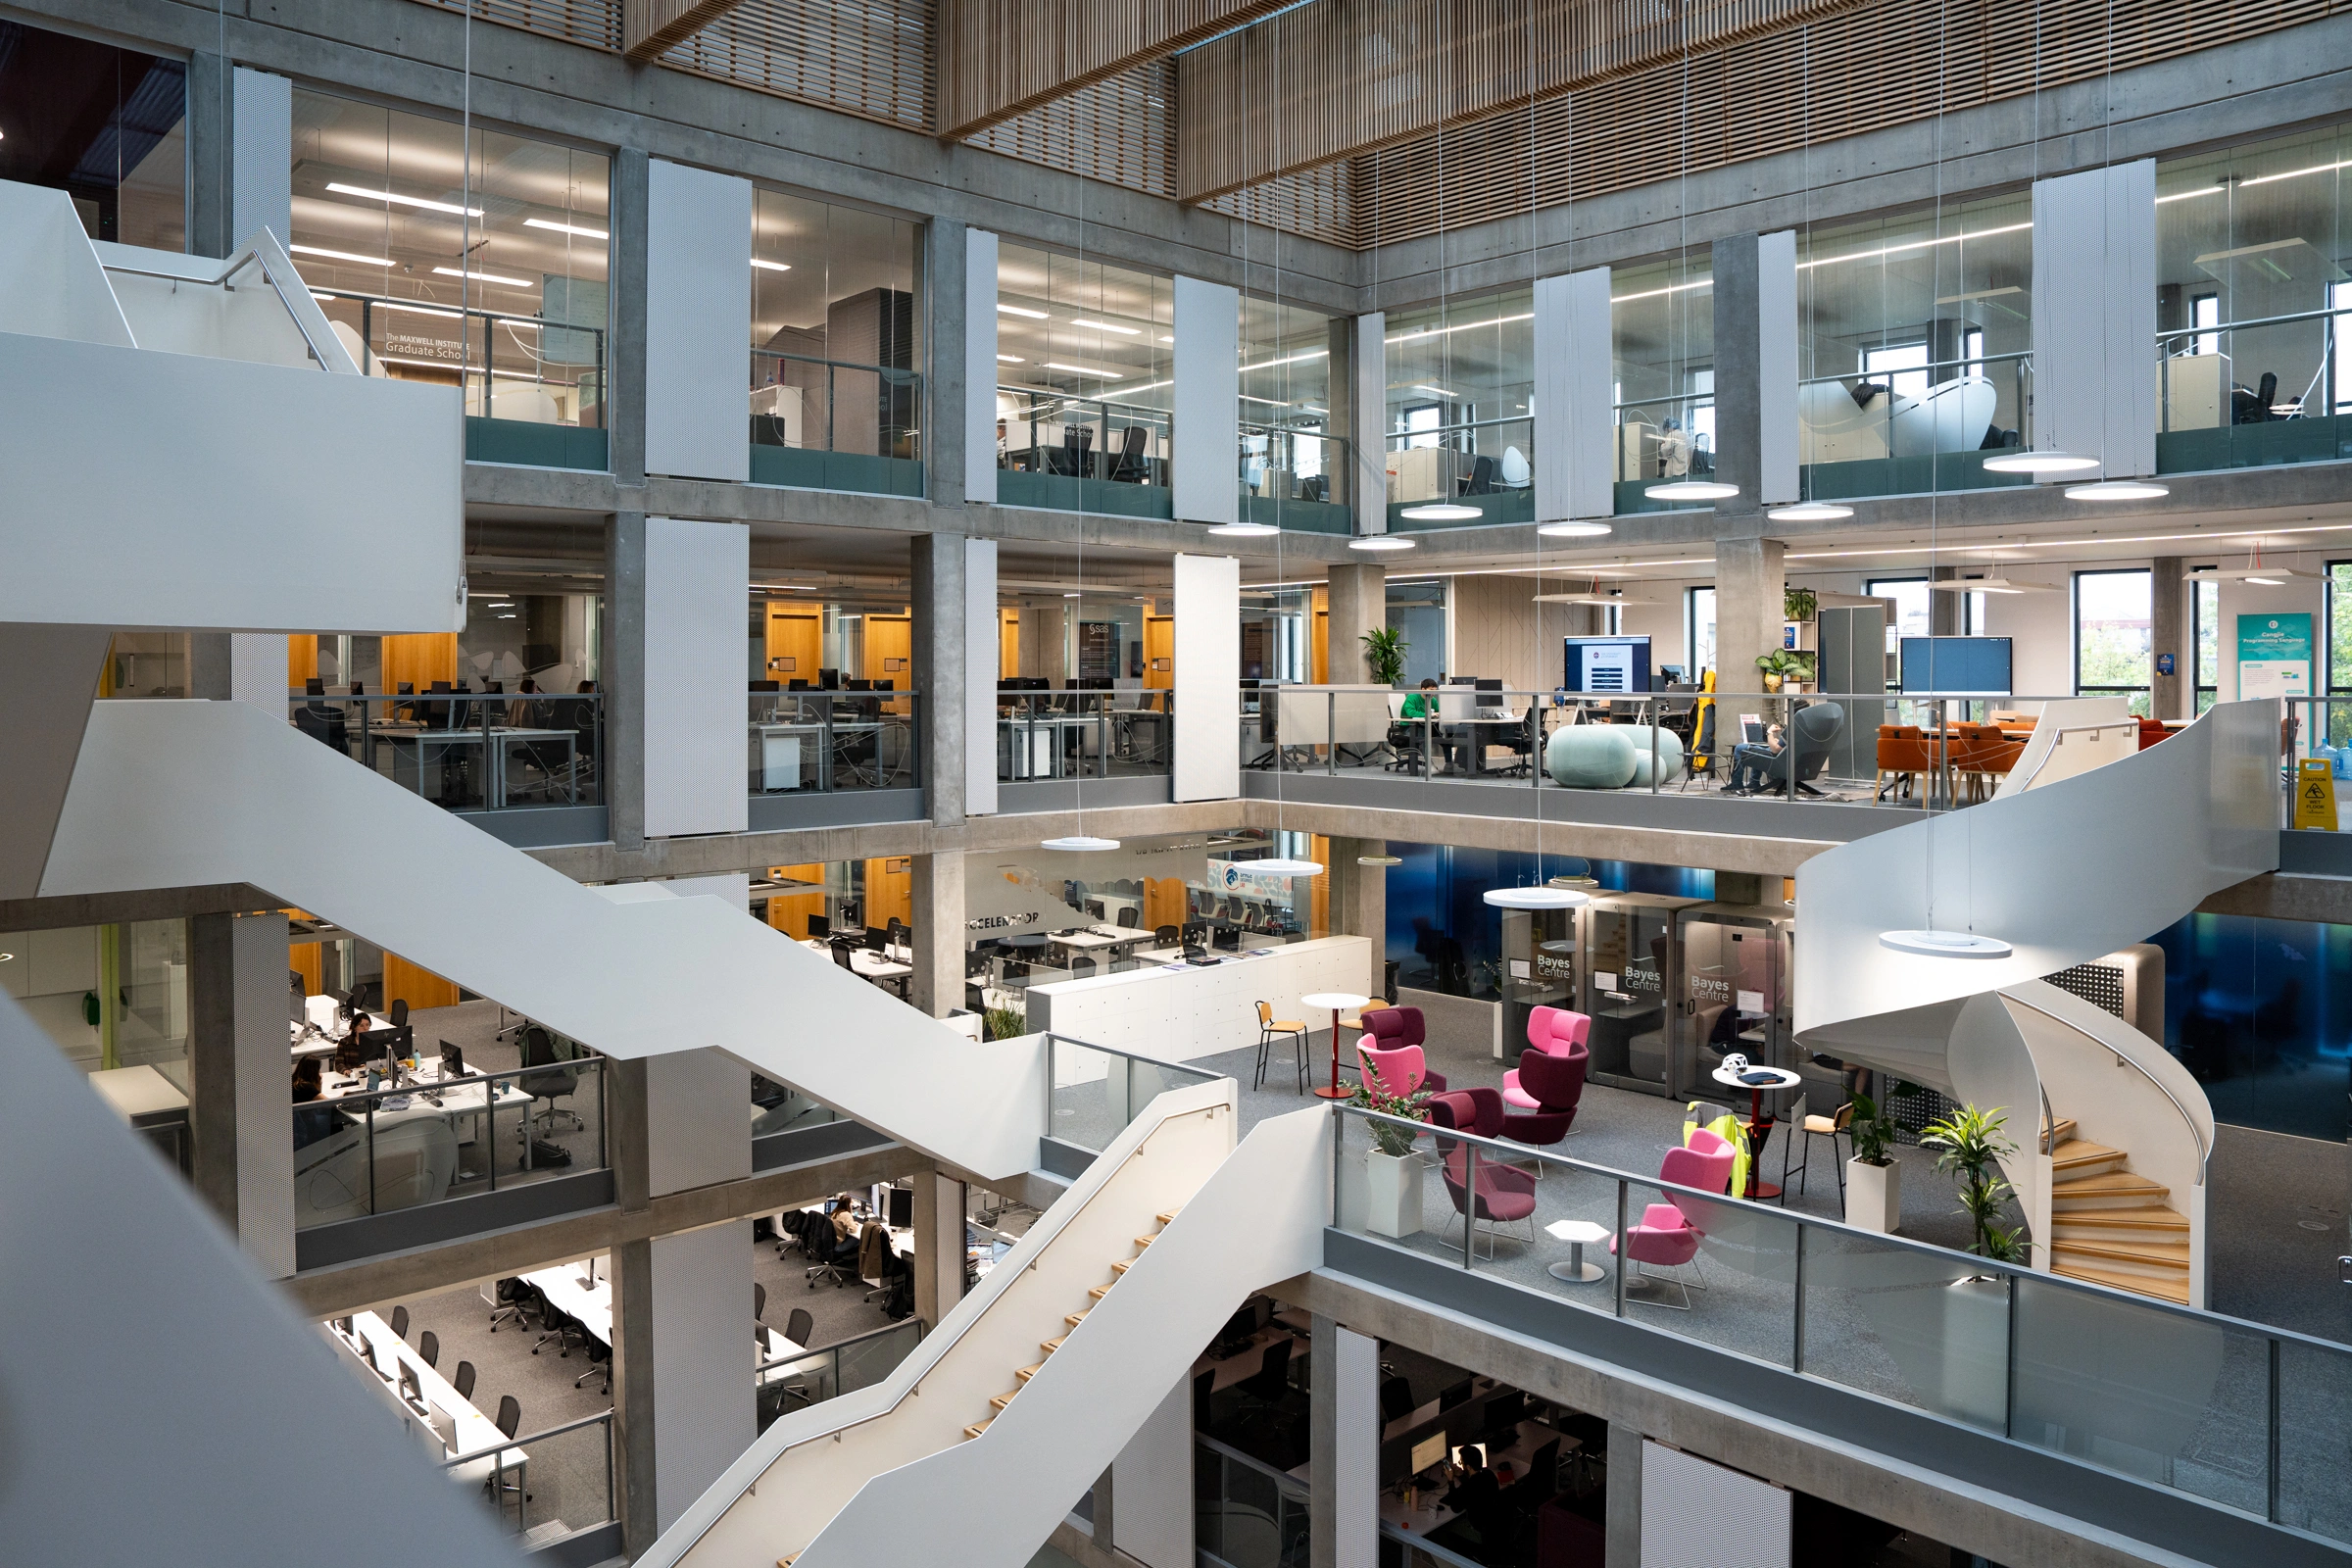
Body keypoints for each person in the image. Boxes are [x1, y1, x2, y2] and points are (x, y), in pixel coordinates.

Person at [1728, 722, 1787, 794]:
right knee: (1758, 752)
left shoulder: (1793, 729)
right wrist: (1778, 742)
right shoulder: (1801, 730)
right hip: (1787, 759)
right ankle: (1754, 781)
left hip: (1777, 758)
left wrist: (1769, 732)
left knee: (1739, 748)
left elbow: (1775, 749)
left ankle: (1736, 784)